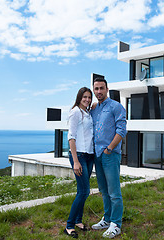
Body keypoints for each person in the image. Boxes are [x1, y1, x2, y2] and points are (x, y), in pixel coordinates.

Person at [91, 78, 127, 238]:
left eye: (101, 88)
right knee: (103, 190)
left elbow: (121, 130)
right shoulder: (94, 109)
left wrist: (109, 148)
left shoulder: (116, 106)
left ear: (107, 89)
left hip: (110, 154)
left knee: (114, 191)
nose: (99, 91)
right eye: (96, 89)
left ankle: (116, 224)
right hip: (96, 155)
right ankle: (107, 219)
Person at [64, 87, 94, 239]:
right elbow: (71, 137)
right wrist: (75, 161)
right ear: (79, 98)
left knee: (82, 191)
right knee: (84, 191)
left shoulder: (87, 112)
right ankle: (69, 226)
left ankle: (78, 221)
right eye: (84, 97)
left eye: (89, 97)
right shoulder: (75, 112)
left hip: (89, 156)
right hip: (79, 156)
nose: (87, 100)